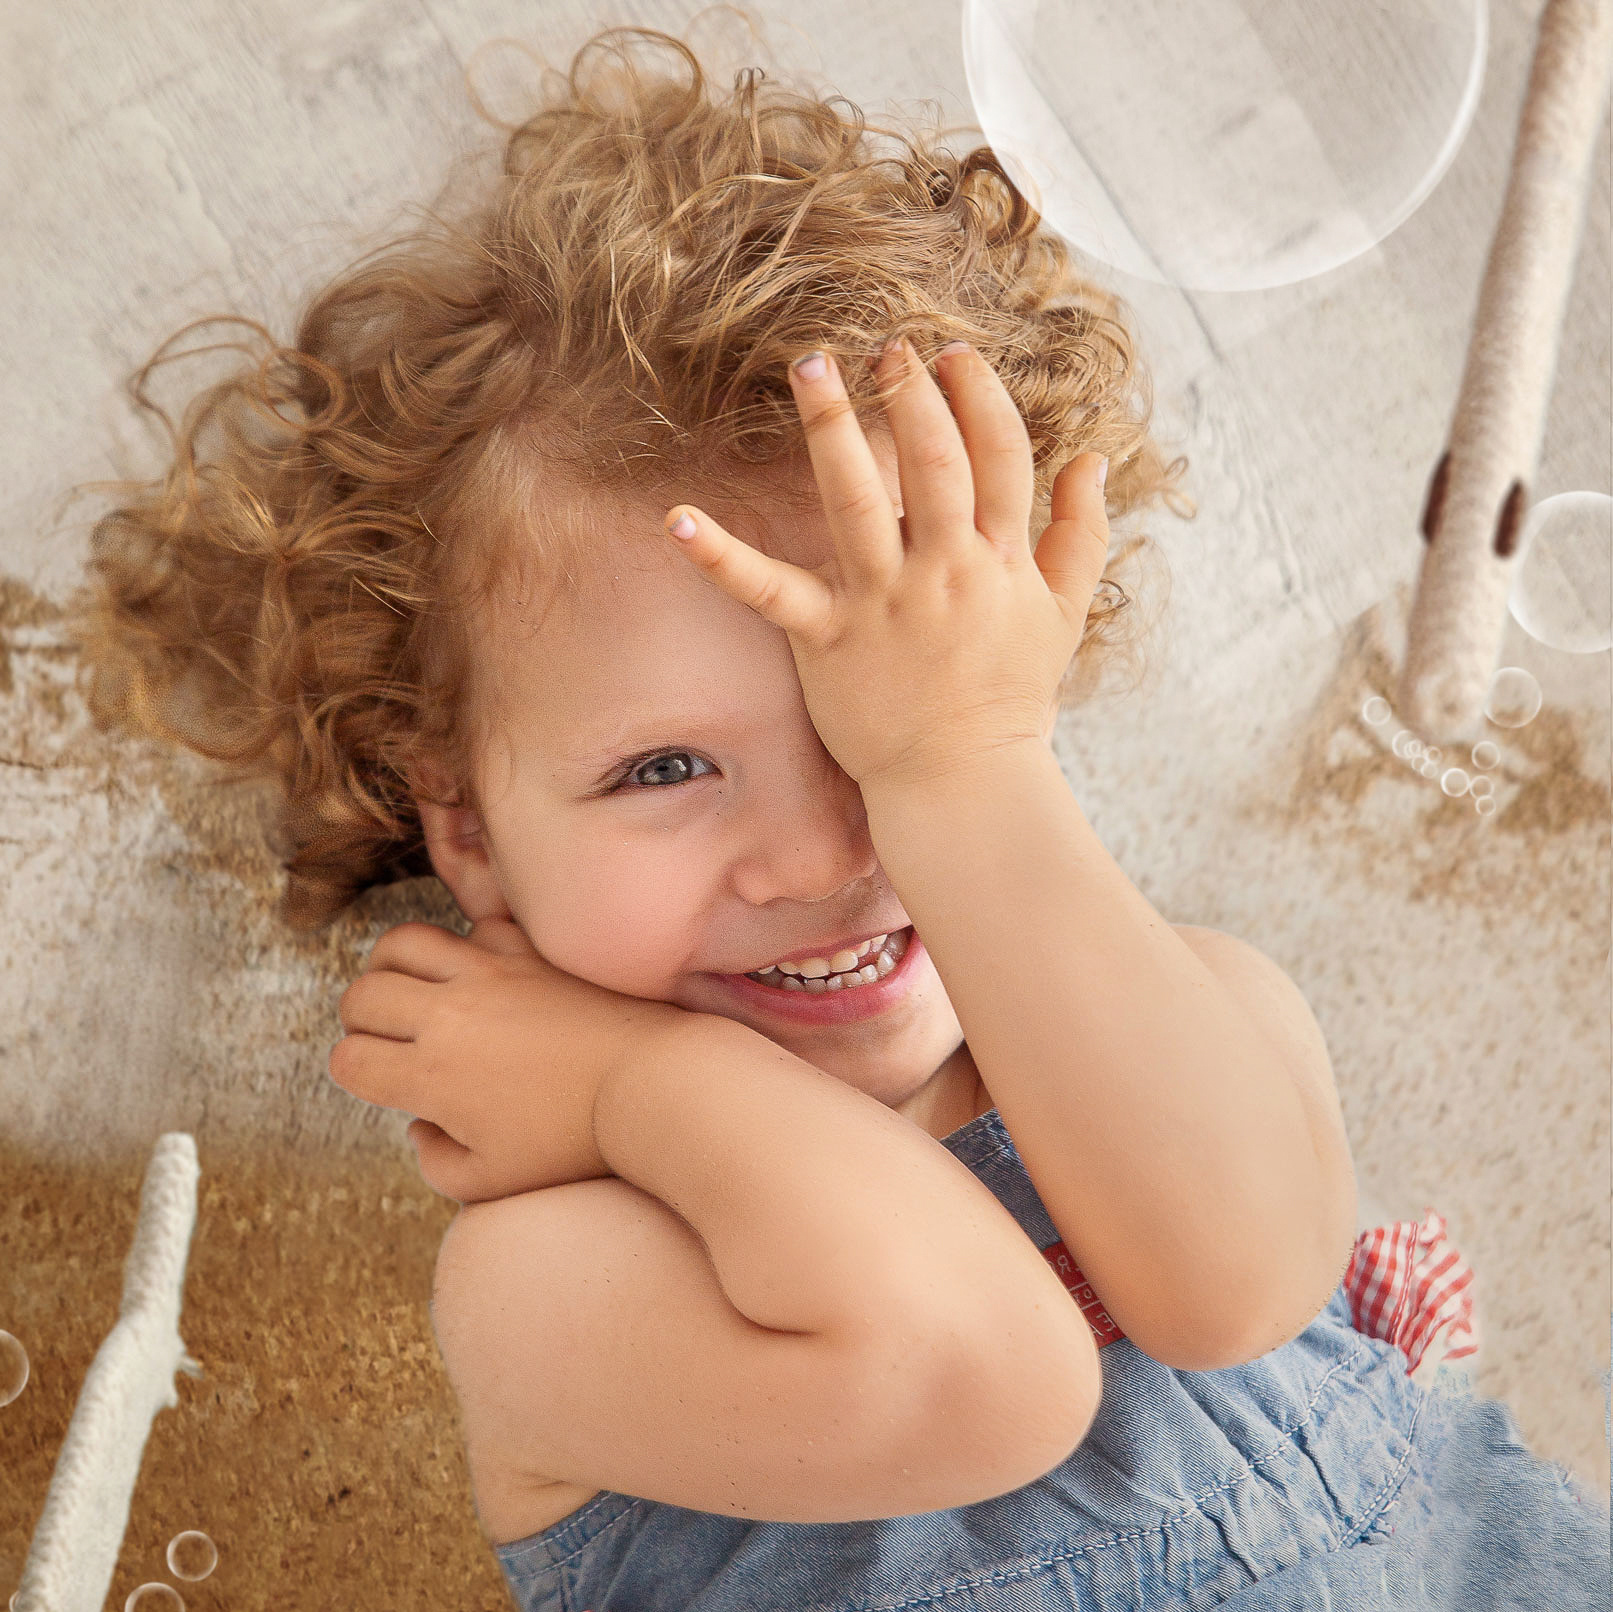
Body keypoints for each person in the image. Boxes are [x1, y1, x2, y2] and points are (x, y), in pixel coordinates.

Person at [65, 20, 1609, 1610]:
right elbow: (978, 1375)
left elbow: (1231, 1289)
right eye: (663, 769)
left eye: (882, 729)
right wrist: (627, 1089)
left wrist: (968, 775)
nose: (817, 859)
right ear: (462, 827)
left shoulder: (1194, 1004)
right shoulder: (545, 1273)